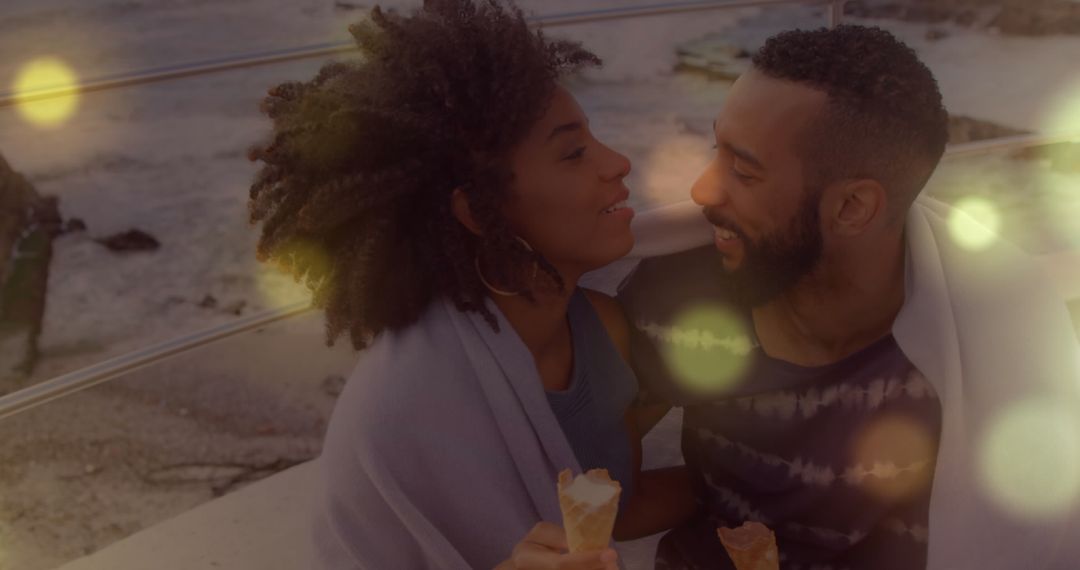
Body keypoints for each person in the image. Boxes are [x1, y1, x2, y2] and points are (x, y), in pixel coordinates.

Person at [614, 25, 1080, 569]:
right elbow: (596, 488)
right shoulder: (679, 299)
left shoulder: (984, 343)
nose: (702, 191)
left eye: (743, 170)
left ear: (853, 208)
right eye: (718, 149)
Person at [246, 1, 694, 568]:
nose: (619, 162)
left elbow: (618, 510)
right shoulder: (405, 403)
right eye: (574, 152)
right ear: (480, 214)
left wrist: (769, 478)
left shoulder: (603, 329)